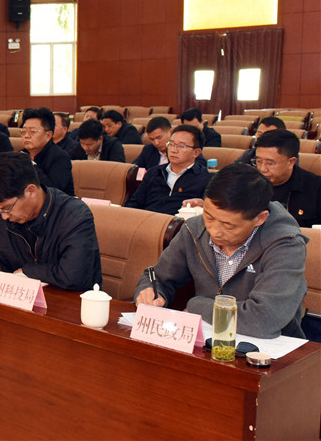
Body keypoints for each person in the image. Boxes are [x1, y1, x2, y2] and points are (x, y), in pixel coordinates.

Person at [134, 163, 308, 339]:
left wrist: (197, 306)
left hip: (269, 347)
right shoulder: (194, 229)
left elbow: (263, 319)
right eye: (209, 217)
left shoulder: (286, 245)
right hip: (206, 339)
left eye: (228, 226)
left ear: (260, 218)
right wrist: (151, 292)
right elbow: (157, 277)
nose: (214, 231)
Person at [0, 152, 102, 289]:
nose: (4, 216)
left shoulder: (75, 215)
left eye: (7, 208)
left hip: (66, 299)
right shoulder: (2, 214)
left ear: (31, 191)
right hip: (17, 297)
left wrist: (28, 272)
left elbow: (74, 275)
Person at [125, 125, 212, 215]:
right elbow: (134, 204)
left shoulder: (206, 179)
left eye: (181, 146)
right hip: (147, 220)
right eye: (171, 144)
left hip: (178, 222)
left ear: (196, 152)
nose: (173, 150)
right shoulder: (153, 172)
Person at [253, 129, 321, 228]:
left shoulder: (316, 189)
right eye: (258, 161)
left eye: (270, 163)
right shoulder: (249, 183)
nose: (262, 169)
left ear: (291, 162)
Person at [20, 108, 74, 196]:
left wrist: (31, 165)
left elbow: (53, 192)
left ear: (48, 135)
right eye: (23, 131)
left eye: (33, 131)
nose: (26, 136)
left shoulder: (60, 157)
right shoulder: (21, 154)